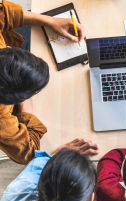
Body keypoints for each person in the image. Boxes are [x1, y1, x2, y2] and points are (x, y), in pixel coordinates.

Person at [0, 0, 86, 164]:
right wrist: (25, 101)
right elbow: (30, 152)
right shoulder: (3, 121)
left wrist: (50, 20)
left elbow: (4, 12)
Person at [0, 138, 99, 201]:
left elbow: (38, 164)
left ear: (39, 184)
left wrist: (61, 155)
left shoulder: (16, 192)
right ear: (91, 198)